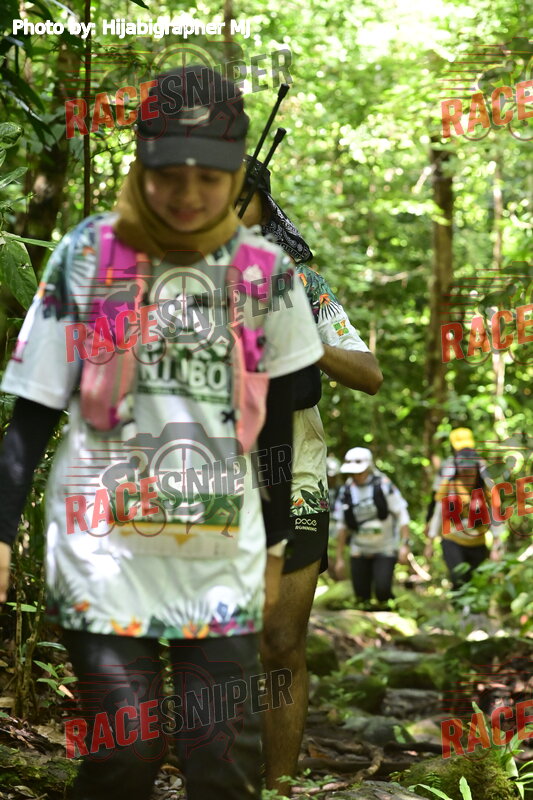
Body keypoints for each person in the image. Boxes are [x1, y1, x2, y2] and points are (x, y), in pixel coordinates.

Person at [0, 65, 325, 800]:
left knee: (223, 759)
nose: (187, 194)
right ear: (141, 164)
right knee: (127, 752)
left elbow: (278, 423)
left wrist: (276, 545)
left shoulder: (264, 273)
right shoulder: (88, 255)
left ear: (235, 175)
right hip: (103, 553)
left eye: (208, 178)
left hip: (222, 556)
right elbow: (32, 414)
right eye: (169, 174)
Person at [238, 163, 383, 794]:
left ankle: (279, 785)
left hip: (295, 470)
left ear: (263, 208)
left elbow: (369, 374)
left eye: (240, 195)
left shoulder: (304, 284)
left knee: (281, 639)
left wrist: (305, 340)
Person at [334, 447, 411, 606]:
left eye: (360, 472)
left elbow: (401, 513)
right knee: (361, 597)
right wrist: (339, 558)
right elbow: (342, 525)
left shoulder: (383, 485)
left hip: (385, 548)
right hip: (359, 550)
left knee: (383, 591)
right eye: (353, 472)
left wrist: (404, 544)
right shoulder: (346, 491)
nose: (357, 476)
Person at [425, 445, 503, 590]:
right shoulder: (449, 488)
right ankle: (457, 602)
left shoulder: (485, 490)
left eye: (470, 471)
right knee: (458, 577)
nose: (467, 476)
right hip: (453, 540)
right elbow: (438, 514)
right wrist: (430, 542)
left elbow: (495, 516)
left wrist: (496, 546)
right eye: (464, 471)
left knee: (475, 582)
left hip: (477, 542)